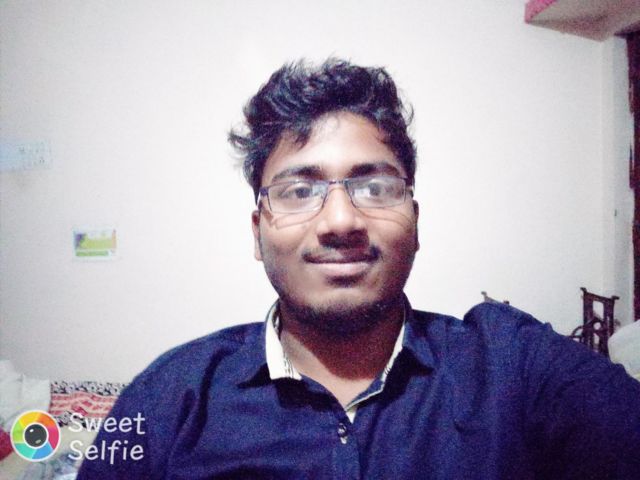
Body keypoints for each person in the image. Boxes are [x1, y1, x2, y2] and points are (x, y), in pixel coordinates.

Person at [77, 58, 640, 479]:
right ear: (257, 233)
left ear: (414, 221)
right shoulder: (170, 397)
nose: (341, 220)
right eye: (299, 190)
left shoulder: (514, 369)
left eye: (374, 186)